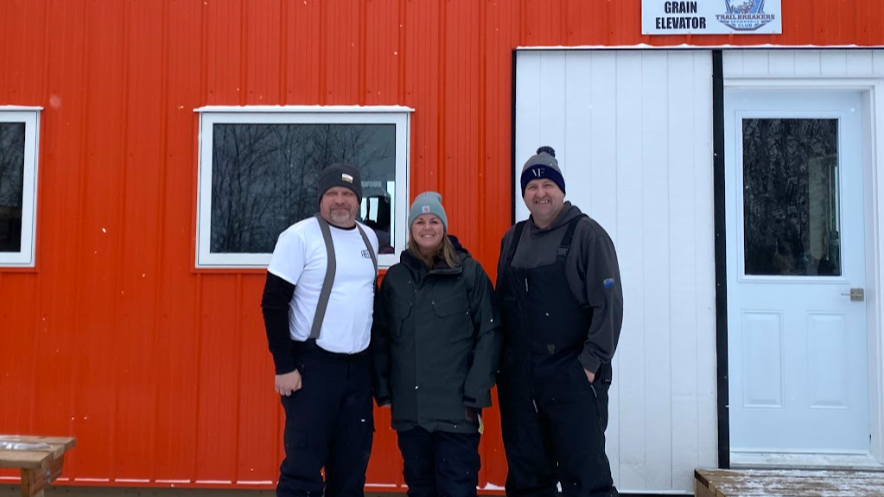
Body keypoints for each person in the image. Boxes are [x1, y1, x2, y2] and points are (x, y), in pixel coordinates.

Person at [496, 147, 623, 497]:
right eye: (532, 187)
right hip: (522, 383)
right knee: (528, 481)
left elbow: (608, 306)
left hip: (572, 377)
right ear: (524, 194)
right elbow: (502, 310)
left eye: (548, 184)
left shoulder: (587, 235)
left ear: (561, 190)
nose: (540, 193)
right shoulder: (512, 240)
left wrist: (590, 365)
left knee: (586, 480)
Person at [372, 191, 502, 497]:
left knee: (456, 490)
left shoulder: (469, 273)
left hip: (457, 414)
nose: (426, 227)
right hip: (411, 414)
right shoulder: (395, 279)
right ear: (411, 229)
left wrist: (476, 390)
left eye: (433, 221)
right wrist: (383, 389)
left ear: (443, 226)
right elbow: (381, 337)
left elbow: (491, 332)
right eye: (419, 221)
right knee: (420, 489)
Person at [261, 163, 379, 497]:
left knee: (351, 468)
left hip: (358, 369)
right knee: (303, 468)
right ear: (321, 199)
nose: (340, 201)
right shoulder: (298, 237)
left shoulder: (368, 237)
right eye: (332, 194)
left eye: (347, 194)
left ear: (358, 199)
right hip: (313, 368)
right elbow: (273, 303)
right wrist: (284, 366)